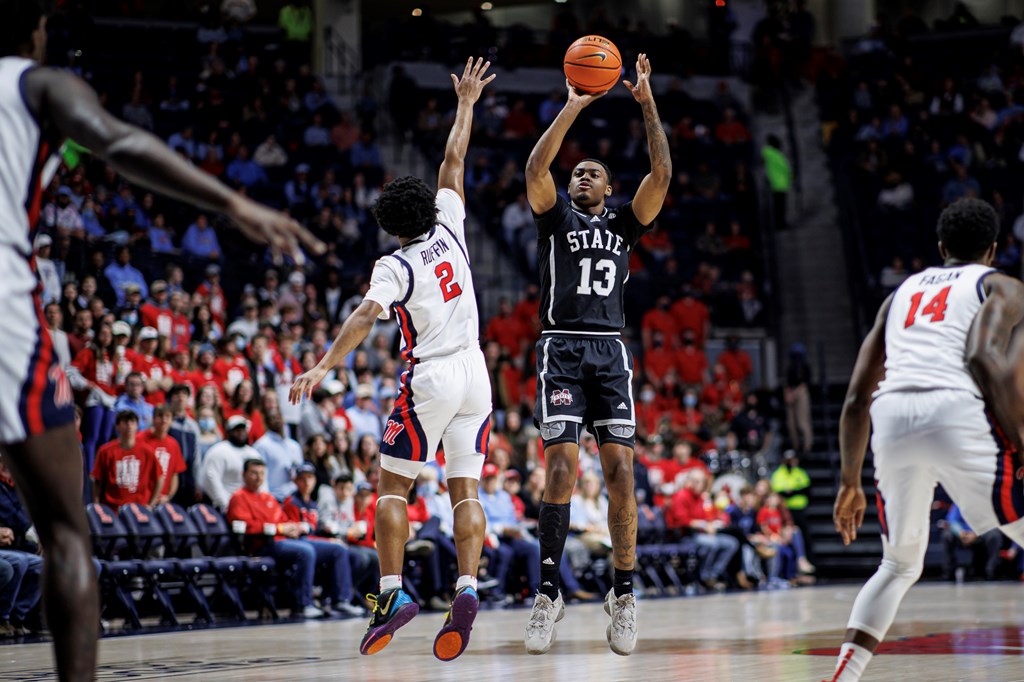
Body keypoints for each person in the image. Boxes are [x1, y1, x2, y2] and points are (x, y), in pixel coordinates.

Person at [0, 2, 322, 676]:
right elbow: (116, 142)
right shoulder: (38, 84)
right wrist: (232, 203)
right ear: (37, 28)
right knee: (65, 534)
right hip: (8, 309)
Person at [291, 57, 495, 662]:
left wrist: (324, 366)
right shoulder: (451, 222)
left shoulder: (395, 265)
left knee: (391, 491)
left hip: (430, 375)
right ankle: (466, 585)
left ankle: (390, 594)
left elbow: (362, 316)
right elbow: (453, 161)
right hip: (476, 375)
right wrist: (466, 105)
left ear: (388, 225)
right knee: (466, 492)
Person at [827, 199, 1024, 682]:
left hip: (891, 416)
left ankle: (843, 678)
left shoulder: (900, 293)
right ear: (995, 249)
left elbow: (855, 398)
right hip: (953, 408)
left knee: (896, 565)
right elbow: (982, 358)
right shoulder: (1000, 284)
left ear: (940, 248)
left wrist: (849, 480)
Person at [521, 53, 671, 656]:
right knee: (561, 468)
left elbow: (660, 174)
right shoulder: (554, 218)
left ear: (609, 188)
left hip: (610, 352)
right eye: (577, 171)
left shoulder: (626, 224)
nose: (581, 177)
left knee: (621, 475)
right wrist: (575, 103)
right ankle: (549, 592)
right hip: (560, 346)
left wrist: (647, 103)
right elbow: (536, 166)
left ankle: (624, 594)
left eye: (592, 173)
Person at [91, 410, 163, 510]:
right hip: (112, 509)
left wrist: (150, 504)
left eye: (132, 422)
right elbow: (97, 481)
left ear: (137, 426)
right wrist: (96, 504)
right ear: (117, 426)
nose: (129, 425)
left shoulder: (148, 452)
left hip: (139, 509)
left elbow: (159, 478)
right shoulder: (105, 451)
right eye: (125, 422)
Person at [201, 415, 262, 510]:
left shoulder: (254, 454)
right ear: (229, 432)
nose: (241, 433)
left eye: (243, 429)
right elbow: (211, 479)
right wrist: (226, 505)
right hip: (225, 506)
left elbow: (262, 482)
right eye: (237, 430)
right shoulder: (218, 451)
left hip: (251, 507)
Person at [137, 405, 187, 505]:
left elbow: (174, 474)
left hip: (162, 500)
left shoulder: (173, 444)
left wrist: (168, 497)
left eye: (167, 417)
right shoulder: (139, 439)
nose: (164, 420)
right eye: (160, 416)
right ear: (153, 418)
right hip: (141, 498)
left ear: (172, 420)